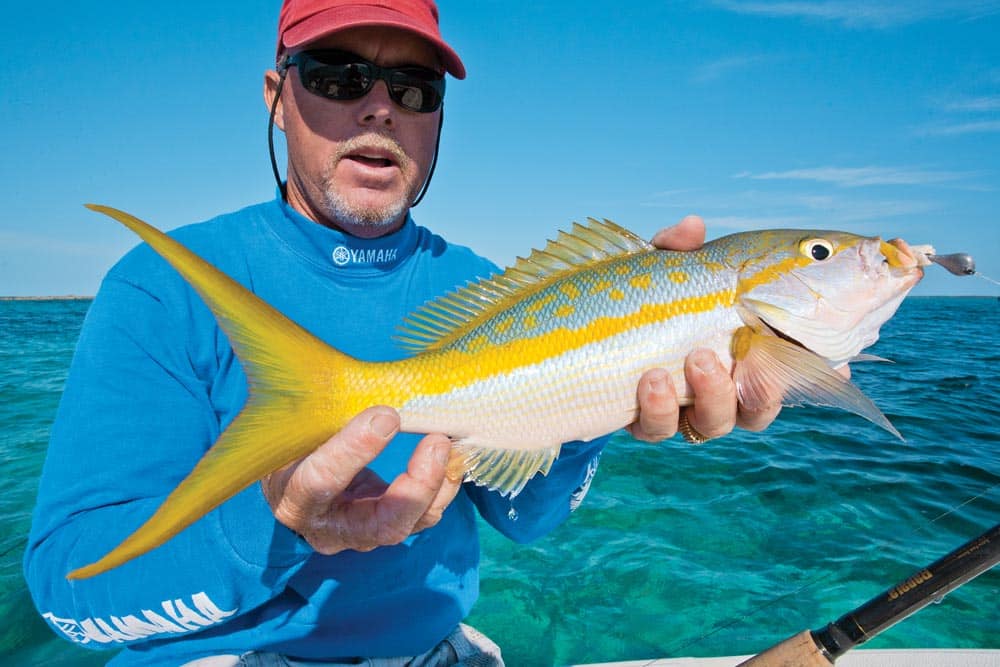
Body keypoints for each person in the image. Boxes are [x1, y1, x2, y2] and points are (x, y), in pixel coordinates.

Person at [24, 1, 780, 665]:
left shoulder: (484, 285)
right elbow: (71, 595)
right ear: (275, 97)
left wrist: (605, 389)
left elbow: (526, 518)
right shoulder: (164, 286)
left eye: (415, 88)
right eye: (335, 74)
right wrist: (275, 518)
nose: (380, 107)